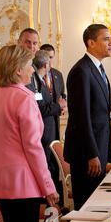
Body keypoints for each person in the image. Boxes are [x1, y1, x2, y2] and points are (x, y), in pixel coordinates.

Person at [0, 45, 59, 222]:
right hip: (22, 185)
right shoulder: (25, 98)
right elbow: (33, 148)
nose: (32, 70)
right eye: (29, 65)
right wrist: (48, 186)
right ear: (18, 69)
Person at [64, 24, 111, 210]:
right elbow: (80, 117)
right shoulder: (81, 71)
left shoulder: (98, 68)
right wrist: (92, 154)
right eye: (106, 39)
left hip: (98, 148)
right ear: (91, 42)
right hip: (86, 154)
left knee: (96, 205)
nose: (110, 43)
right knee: (86, 208)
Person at [33, 50, 67, 206]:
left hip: (52, 128)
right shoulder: (34, 82)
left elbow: (60, 96)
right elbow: (40, 108)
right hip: (43, 131)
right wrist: (57, 106)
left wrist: (60, 105)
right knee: (46, 166)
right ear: (46, 64)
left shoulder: (49, 77)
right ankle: (50, 204)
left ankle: (54, 204)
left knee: (52, 166)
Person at [40, 43, 67, 139]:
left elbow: (62, 95)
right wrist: (57, 106)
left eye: (51, 57)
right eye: (46, 57)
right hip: (41, 125)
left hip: (55, 124)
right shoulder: (34, 75)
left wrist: (62, 107)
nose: (49, 61)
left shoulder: (57, 74)